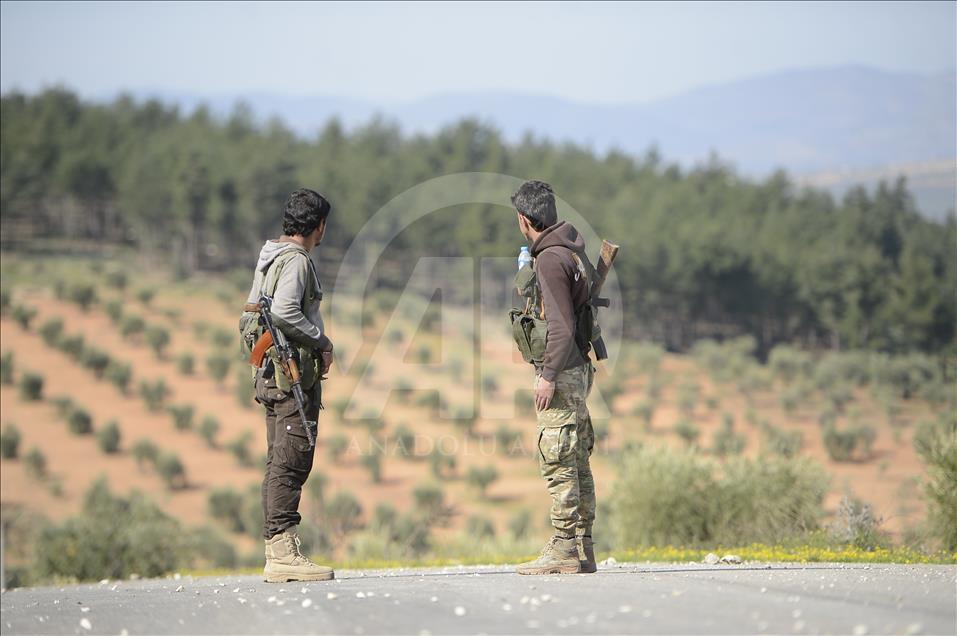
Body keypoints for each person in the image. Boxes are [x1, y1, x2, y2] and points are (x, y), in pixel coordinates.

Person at [239, 188, 336, 583]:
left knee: (279, 460)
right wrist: (321, 340)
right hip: (289, 374)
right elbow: (284, 312)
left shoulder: (270, 256)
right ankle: (282, 552)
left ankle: (278, 548)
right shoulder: (295, 261)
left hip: (270, 373)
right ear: (319, 226)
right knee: (292, 460)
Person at [510, 180, 598, 575]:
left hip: (562, 371)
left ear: (527, 220)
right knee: (577, 459)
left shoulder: (549, 260)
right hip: (579, 367)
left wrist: (547, 376)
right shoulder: (570, 251)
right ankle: (583, 545)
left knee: (559, 458)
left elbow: (560, 326)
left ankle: (564, 548)